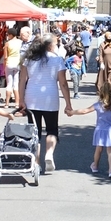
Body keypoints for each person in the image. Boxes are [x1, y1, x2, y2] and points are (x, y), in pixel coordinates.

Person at [18, 35, 74, 172]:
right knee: (52, 129)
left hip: (31, 98)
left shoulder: (29, 59)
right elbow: (63, 83)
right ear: (50, 45)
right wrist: (68, 103)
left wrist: (20, 99)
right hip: (50, 98)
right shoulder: (57, 60)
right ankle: (49, 154)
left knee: (35, 132)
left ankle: (36, 162)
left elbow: (22, 80)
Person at [71, 83, 111, 179]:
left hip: (99, 130)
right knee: (110, 151)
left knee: (98, 149)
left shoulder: (98, 105)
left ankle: (95, 165)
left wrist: (72, 112)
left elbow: (85, 111)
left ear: (101, 94)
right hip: (110, 132)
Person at [3, 26, 28, 107]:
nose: (7, 36)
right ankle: (17, 103)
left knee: (9, 83)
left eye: (8, 34)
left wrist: (4, 66)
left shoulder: (7, 43)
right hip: (18, 64)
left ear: (10, 35)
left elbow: (5, 57)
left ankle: (6, 103)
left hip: (9, 64)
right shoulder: (20, 42)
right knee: (16, 83)